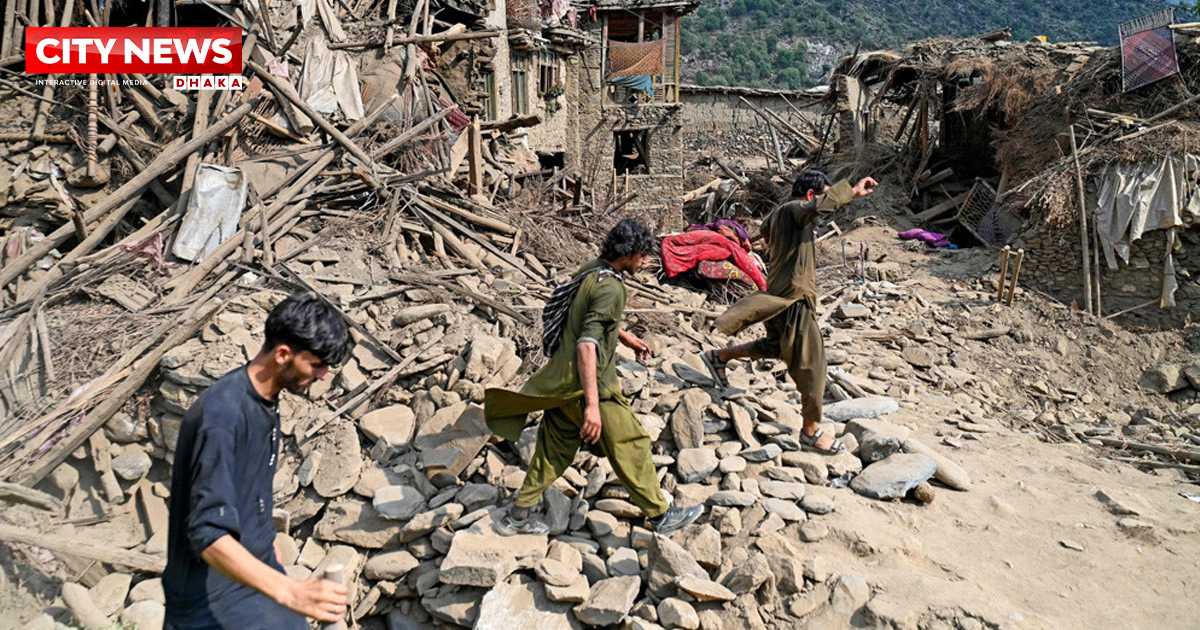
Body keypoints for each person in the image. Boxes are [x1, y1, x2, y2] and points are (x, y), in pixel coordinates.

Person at [486, 219, 704, 537]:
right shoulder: (612, 288)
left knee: (553, 450)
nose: (647, 260)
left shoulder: (593, 270)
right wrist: (592, 406)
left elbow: (588, 319)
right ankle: (659, 515)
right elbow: (587, 344)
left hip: (561, 383)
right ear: (628, 253)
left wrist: (625, 338)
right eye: (643, 255)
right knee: (632, 443)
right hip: (592, 387)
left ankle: (517, 516)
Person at [164, 295, 351, 629]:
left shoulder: (265, 400)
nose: (324, 376)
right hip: (211, 600)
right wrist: (289, 591)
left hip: (253, 578)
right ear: (283, 354)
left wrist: (269, 550)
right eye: (317, 365)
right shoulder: (221, 416)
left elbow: (250, 493)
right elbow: (208, 533)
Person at [701, 170, 876, 455]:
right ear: (809, 195)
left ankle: (719, 357)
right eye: (820, 195)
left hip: (777, 295)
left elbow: (767, 231)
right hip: (793, 299)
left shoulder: (778, 214)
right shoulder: (795, 210)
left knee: (776, 347)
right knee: (814, 365)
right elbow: (819, 206)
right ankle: (810, 432)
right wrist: (852, 191)